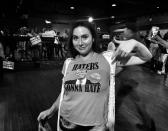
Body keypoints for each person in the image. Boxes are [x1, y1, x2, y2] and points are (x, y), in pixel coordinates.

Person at [37, 21, 152, 131]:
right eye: (75, 38)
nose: (80, 42)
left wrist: (135, 44)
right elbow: (65, 92)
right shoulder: (68, 63)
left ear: (93, 38)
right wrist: (51, 110)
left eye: (85, 37)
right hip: (65, 123)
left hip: (96, 127)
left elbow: (146, 57)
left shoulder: (108, 59)